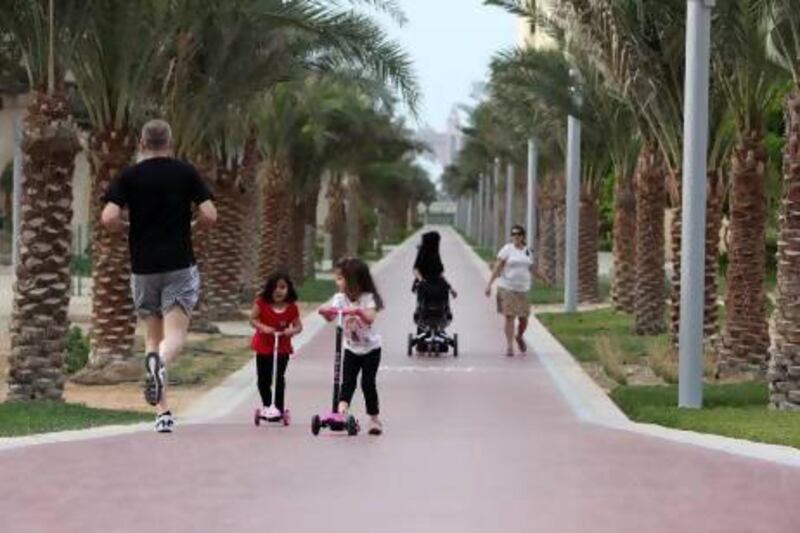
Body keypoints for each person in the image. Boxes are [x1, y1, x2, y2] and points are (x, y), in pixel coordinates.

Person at [101, 119, 217, 433]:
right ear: (171, 141)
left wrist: (127, 229)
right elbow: (209, 214)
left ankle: (163, 413)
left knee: (152, 338)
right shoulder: (185, 172)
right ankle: (160, 366)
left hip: (143, 267)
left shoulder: (129, 176)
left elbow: (108, 216)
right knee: (175, 335)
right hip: (179, 263)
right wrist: (193, 226)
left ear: (141, 142)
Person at [318, 257, 385, 435]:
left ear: (355, 281)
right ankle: (341, 412)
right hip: (351, 348)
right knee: (347, 381)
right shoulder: (339, 298)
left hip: (371, 349)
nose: (337, 282)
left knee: (367, 383)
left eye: (341, 278)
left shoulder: (368, 298)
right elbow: (330, 314)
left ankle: (374, 418)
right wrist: (324, 311)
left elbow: (370, 317)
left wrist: (359, 312)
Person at [250, 272, 303, 419]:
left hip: (282, 346)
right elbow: (252, 319)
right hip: (264, 345)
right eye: (274, 287)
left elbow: (298, 326)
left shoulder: (292, 308)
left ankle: (278, 408)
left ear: (288, 289)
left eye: (282, 287)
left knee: (278, 377)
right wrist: (263, 327)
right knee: (263, 378)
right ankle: (267, 405)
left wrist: (290, 331)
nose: (278, 291)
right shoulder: (261, 302)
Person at [485, 224, 534, 357]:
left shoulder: (528, 251)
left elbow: (532, 267)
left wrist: (545, 278)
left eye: (518, 234)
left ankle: (519, 336)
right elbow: (497, 267)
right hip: (507, 287)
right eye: (513, 234)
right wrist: (489, 285)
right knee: (509, 316)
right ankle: (509, 346)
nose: (516, 236)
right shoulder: (507, 249)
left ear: (523, 236)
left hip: (523, 289)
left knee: (524, 319)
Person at [412, 230, 457, 298]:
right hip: (424, 281)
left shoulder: (435, 254)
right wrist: (421, 280)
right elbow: (415, 270)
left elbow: (440, 274)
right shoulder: (422, 253)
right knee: (425, 292)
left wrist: (450, 288)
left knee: (442, 291)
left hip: (435, 280)